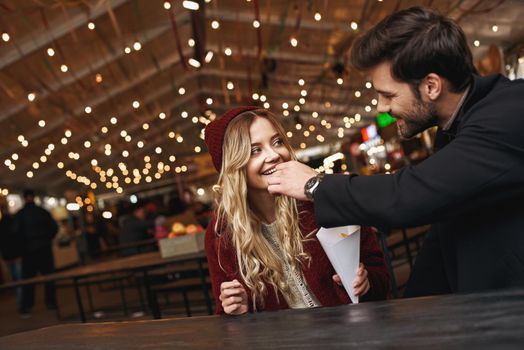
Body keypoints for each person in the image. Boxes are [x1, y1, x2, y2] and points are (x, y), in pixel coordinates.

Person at [267, 6, 524, 297]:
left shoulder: (509, 115)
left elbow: (407, 195)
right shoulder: (454, 126)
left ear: (431, 86)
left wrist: (316, 185)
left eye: (388, 95)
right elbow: (443, 233)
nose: (381, 107)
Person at [204, 106, 390, 315]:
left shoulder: (323, 197)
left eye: (277, 142)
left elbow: (380, 275)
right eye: (255, 150)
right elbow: (228, 316)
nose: (274, 155)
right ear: (233, 166)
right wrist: (238, 310)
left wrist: (366, 283)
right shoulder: (222, 234)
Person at [13, 189, 59, 316]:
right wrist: (47, 239)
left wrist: (22, 247)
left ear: (23, 198)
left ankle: (27, 307)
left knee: (28, 282)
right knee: (49, 278)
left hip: (28, 253)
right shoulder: (42, 212)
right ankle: (51, 303)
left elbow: (15, 233)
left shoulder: (20, 214)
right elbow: (54, 228)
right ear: (34, 197)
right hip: (44, 249)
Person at [0, 195, 24, 315]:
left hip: (7, 256)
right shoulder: (14, 222)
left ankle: (20, 303)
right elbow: (18, 238)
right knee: (19, 280)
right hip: (15, 255)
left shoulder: (1, 225)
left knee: (15, 280)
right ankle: (21, 304)